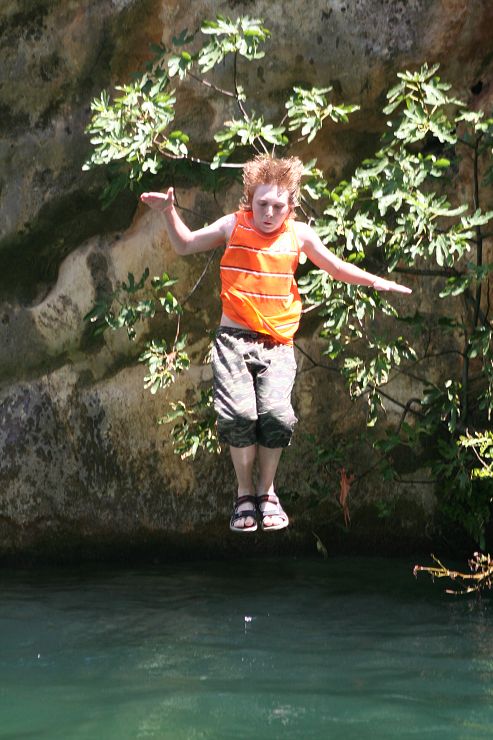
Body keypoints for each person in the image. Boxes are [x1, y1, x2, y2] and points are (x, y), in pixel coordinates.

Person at [140, 155, 411, 534]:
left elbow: (336, 268)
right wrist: (168, 211)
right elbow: (185, 245)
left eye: (278, 206)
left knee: (277, 418)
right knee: (238, 417)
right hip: (233, 342)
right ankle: (243, 494)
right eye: (262, 203)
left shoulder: (300, 235)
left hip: (277, 344)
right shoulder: (233, 225)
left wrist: (376, 282)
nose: (269, 213)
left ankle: (266, 492)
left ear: (291, 205)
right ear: (249, 199)